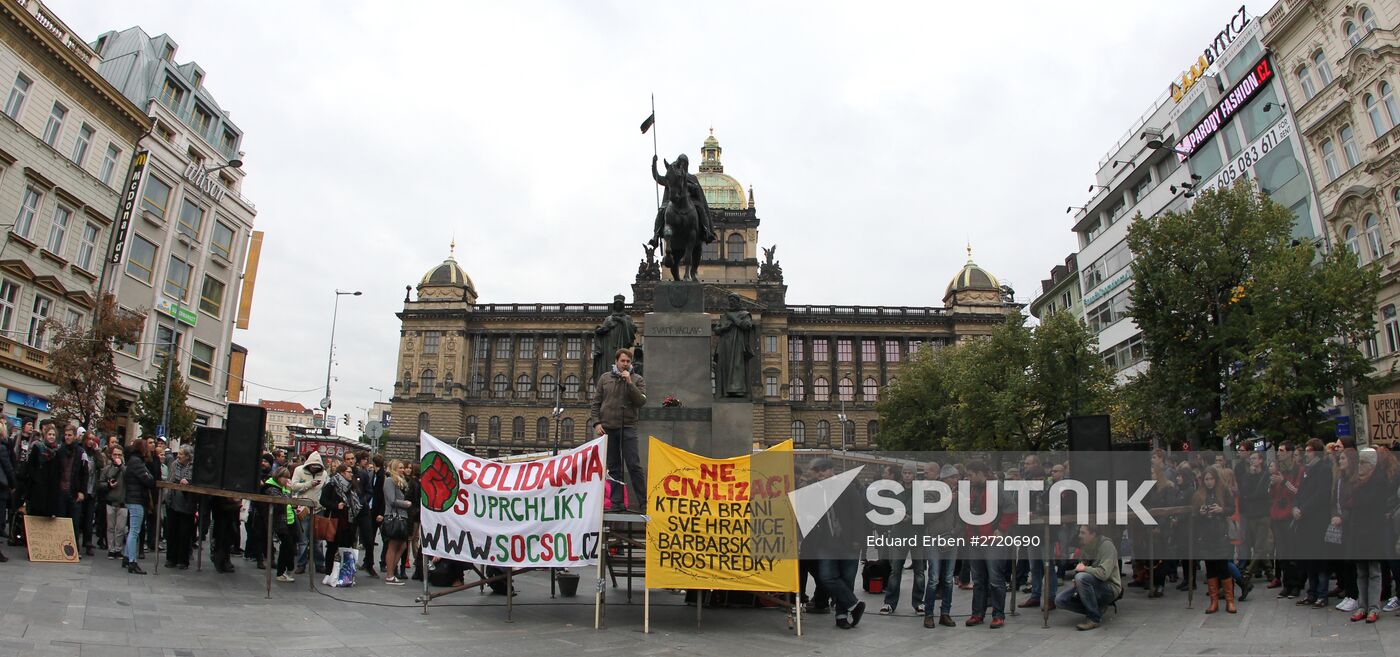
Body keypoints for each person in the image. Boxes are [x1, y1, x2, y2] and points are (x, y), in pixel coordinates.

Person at [808, 458, 866, 630]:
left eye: (823, 471)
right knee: (826, 577)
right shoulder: (814, 491)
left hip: (848, 542)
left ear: (831, 471)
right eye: (817, 472)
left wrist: (858, 540)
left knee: (847, 579)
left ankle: (842, 616)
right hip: (826, 543)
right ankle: (854, 605)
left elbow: (858, 515)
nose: (820, 475)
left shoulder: (847, 488)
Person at [589, 348, 647, 513]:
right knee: (613, 467)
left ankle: (643, 502)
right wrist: (596, 423)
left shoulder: (637, 379)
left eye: (628, 361)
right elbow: (596, 403)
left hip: (628, 426)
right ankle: (617, 503)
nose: (625, 364)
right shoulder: (605, 378)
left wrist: (629, 383)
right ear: (616, 361)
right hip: (607, 428)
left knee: (634, 465)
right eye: (623, 361)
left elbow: (640, 401)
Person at [1343, 447, 1392, 623]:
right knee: (1361, 571)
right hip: (1358, 531)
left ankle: (1374, 607)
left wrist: (1358, 491)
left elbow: (1370, 502)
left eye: (1363, 462)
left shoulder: (1379, 479)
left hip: (1373, 531)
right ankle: (1362, 606)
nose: (1360, 466)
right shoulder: (1358, 480)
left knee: (1374, 571)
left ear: (1371, 464)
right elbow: (1349, 501)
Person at [965, 460, 1014, 629]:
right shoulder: (973, 488)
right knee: (978, 580)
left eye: (971, 475)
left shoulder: (996, 486)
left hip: (993, 540)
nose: (969, 478)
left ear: (980, 473)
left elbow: (1010, 508)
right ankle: (977, 613)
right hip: (976, 539)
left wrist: (1001, 529)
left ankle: (998, 615)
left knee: (995, 579)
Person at [1054, 524, 1122, 631]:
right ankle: (1096, 608)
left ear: (1093, 534)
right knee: (1060, 600)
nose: (1080, 535)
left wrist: (1083, 571)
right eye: (1080, 532)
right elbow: (1082, 565)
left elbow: (1104, 574)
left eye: (1083, 533)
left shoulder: (1107, 546)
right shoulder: (1086, 546)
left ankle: (1094, 618)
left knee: (1082, 577)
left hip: (1110, 587)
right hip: (1091, 583)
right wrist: (1077, 577)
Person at [879, 465, 924, 616]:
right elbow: (890, 509)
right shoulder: (896, 491)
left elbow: (925, 512)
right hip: (899, 533)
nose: (907, 476)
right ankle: (889, 602)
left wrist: (911, 517)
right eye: (905, 473)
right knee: (895, 570)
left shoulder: (920, 491)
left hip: (916, 535)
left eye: (910, 473)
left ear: (915, 475)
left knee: (919, 571)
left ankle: (918, 602)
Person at [1294, 438, 1333, 608]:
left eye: (1309, 450)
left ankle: (1322, 594)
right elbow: (1300, 491)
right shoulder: (1307, 469)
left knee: (1320, 558)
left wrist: (1304, 509)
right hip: (1305, 521)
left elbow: (1321, 494)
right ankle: (1311, 592)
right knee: (1308, 559)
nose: (1306, 453)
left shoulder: (1324, 468)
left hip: (1317, 520)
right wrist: (1295, 506)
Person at [922, 464, 963, 629]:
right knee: (933, 578)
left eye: (957, 477)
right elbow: (927, 516)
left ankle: (945, 613)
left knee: (948, 579)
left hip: (951, 538)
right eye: (953, 477)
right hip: (933, 538)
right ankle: (929, 614)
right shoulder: (931, 492)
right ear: (944, 479)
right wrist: (947, 501)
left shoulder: (958, 495)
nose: (956, 480)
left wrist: (954, 534)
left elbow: (962, 519)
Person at [1194, 466, 1237, 614]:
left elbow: (1232, 508)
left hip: (1220, 534)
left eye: (1211, 479)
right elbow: (1194, 516)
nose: (1209, 482)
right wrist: (1200, 512)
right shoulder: (1199, 494)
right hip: (1206, 535)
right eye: (1206, 479)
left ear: (1215, 479)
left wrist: (1221, 510)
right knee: (1210, 569)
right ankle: (1214, 602)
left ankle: (1230, 601)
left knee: (1223, 567)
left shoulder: (1223, 491)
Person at [648, 152, 716, 247]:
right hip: (672, 201)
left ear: (687, 165)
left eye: (684, 163)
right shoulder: (673, 177)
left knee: (701, 209)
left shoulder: (692, 177)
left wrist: (689, 186)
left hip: (691, 201)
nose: (682, 165)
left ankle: (706, 231)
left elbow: (697, 190)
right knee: (661, 211)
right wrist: (654, 164)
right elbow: (658, 178)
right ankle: (655, 236)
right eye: (681, 162)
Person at [1270, 445, 1303, 598]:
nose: (1279, 453)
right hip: (1277, 514)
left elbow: (1298, 491)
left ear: (1289, 453)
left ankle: (1296, 584)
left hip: (1289, 514)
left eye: (1282, 450)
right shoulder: (1278, 470)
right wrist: (1270, 484)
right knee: (1282, 552)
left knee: (1293, 551)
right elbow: (1271, 494)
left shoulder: (1298, 469)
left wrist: (1283, 481)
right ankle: (1286, 583)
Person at [289, 451, 328, 575]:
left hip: (318, 509)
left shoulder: (324, 474)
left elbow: (325, 489)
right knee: (303, 539)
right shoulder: (299, 470)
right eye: (313, 466)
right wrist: (308, 484)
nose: (315, 469)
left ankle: (320, 564)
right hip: (304, 507)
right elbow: (293, 486)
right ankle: (301, 564)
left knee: (318, 539)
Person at [121, 439, 155, 574]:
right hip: (136, 499)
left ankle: (127, 556)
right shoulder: (137, 462)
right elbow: (148, 479)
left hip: (132, 498)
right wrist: (150, 477)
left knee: (132, 530)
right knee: (135, 531)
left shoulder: (133, 460)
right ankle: (132, 562)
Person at [319, 464, 360, 575]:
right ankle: (329, 572)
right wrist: (335, 505)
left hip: (349, 521)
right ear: (342, 473)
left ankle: (344, 572)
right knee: (332, 547)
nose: (351, 474)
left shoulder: (352, 485)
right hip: (335, 520)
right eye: (349, 472)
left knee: (346, 547)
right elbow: (323, 500)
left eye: (351, 472)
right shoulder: (332, 484)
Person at [261, 467, 300, 583]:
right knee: (287, 545)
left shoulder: (282, 487)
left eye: (288, 478)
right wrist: (288, 491)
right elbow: (281, 502)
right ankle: (283, 571)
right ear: (278, 477)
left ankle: (283, 571)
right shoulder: (271, 487)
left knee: (289, 545)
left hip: (289, 519)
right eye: (285, 478)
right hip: (280, 521)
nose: (286, 480)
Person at [164, 445, 196, 570]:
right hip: (173, 502)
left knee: (184, 533)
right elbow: (170, 479)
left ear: (188, 457)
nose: (178, 456)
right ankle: (171, 558)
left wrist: (188, 483)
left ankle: (183, 560)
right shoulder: (174, 464)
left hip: (187, 505)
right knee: (171, 531)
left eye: (181, 454)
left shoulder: (194, 467)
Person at [381, 459, 412, 585]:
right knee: (393, 545)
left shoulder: (400, 481)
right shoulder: (389, 481)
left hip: (401, 516)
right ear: (394, 468)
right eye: (399, 468)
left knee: (402, 545)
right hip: (394, 516)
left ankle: (391, 571)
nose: (402, 470)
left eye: (402, 467)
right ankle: (390, 574)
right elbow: (391, 500)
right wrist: (405, 503)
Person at [96, 445, 125, 560]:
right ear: (111, 456)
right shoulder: (107, 468)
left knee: (121, 528)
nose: (117, 456)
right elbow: (100, 483)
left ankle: (118, 549)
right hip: (110, 502)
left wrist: (121, 466)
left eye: (119, 454)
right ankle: (111, 549)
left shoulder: (125, 468)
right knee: (110, 528)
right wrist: (108, 485)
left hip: (122, 502)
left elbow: (129, 476)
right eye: (115, 454)